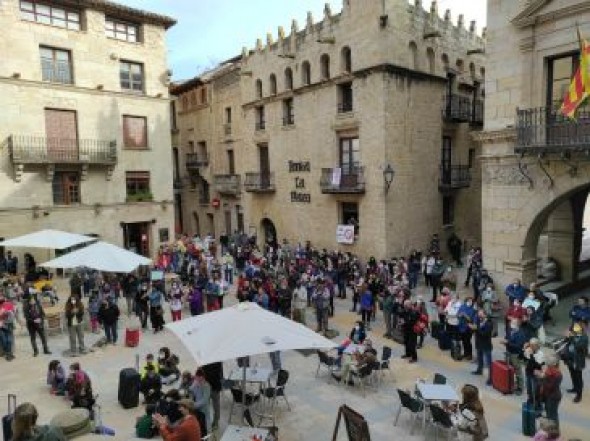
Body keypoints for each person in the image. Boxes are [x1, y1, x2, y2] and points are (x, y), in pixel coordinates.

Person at [562, 322, 588, 403]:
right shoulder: (573, 334)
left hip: (578, 360)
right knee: (572, 374)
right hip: (570, 359)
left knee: (578, 377)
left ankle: (579, 395)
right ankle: (574, 388)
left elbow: (579, 346)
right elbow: (566, 342)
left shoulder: (584, 337)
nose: (574, 329)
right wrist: (566, 336)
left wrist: (571, 337)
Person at [535, 355, 562, 429]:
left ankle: (555, 432)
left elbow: (550, 386)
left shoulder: (557, 375)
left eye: (549, 364)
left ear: (554, 364)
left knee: (553, 416)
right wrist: (542, 376)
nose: (547, 366)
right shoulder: (549, 371)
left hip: (553, 397)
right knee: (549, 414)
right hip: (548, 396)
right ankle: (550, 430)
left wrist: (541, 377)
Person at [502, 319, 528, 395]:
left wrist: (507, 343)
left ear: (517, 325)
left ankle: (520, 388)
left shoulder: (521, 334)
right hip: (508, 352)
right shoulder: (510, 330)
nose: (511, 324)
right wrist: (506, 342)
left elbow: (518, 346)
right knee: (508, 369)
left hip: (515, 354)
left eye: (513, 323)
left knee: (517, 371)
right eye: (511, 322)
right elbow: (507, 337)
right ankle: (510, 384)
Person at [471, 308, 493, 385]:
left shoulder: (489, 323)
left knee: (489, 362)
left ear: (485, 314)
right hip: (479, 343)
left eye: (480, 314)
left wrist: (477, 329)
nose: (479, 315)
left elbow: (484, 334)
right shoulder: (478, 321)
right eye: (478, 314)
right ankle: (479, 370)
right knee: (480, 358)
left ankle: (491, 378)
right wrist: (472, 328)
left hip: (486, 345)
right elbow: (476, 330)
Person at [524, 338, 545, 408]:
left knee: (536, 390)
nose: (531, 347)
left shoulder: (540, 354)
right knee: (529, 389)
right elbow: (522, 358)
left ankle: (537, 404)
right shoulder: (528, 350)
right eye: (530, 345)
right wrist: (523, 349)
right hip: (528, 373)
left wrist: (531, 355)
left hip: (535, 375)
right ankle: (530, 400)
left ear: (537, 346)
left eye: (533, 345)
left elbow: (537, 365)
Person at [201, 362, 223, 430]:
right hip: (212, 386)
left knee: (212, 405)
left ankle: (213, 421)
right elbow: (221, 374)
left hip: (211, 386)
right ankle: (213, 422)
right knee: (213, 405)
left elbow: (203, 374)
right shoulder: (217, 361)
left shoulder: (206, 361)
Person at [0, 292, 16, 361]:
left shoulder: (9, 304)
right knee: (4, 340)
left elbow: (13, 313)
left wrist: (8, 312)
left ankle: (9, 354)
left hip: (8, 325)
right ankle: (8, 353)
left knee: (9, 340)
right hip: (1, 326)